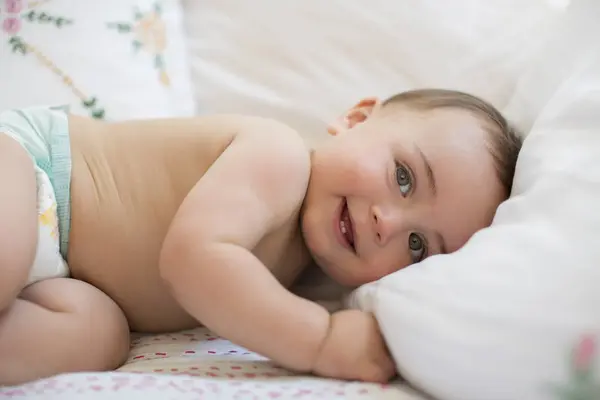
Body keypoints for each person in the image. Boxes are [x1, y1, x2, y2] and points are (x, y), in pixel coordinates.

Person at [0, 89, 522, 385]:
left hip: (73, 277)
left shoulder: (298, 279)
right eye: (404, 177)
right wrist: (319, 340)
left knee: (97, 336)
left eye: (418, 247)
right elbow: (193, 259)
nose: (389, 222)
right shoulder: (279, 156)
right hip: (31, 169)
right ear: (355, 118)